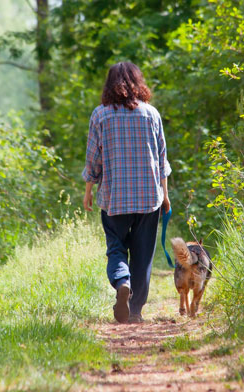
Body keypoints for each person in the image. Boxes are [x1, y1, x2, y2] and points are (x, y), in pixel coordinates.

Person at [82, 61, 171, 324]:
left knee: (116, 248)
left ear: (109, 85)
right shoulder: (151, 114)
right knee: (143, 255)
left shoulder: (100, 115)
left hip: (114, 198)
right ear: (138, 83)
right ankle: (135, 311)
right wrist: (165, 195)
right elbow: (161, 158)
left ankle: (122, 281)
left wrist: (88, 189)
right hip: (148, 198)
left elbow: (93, 159)